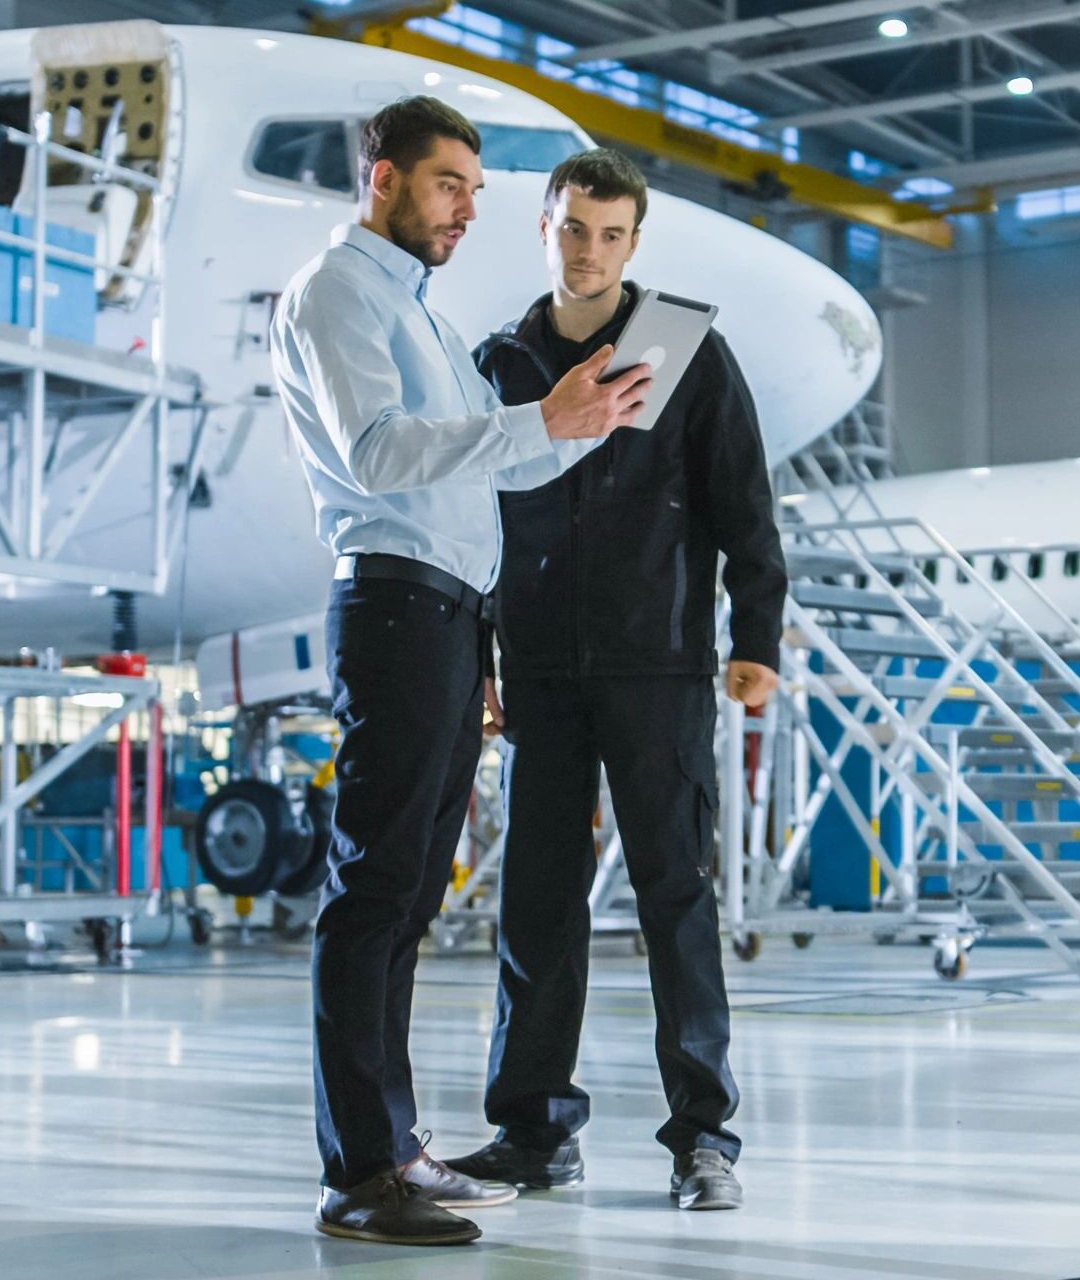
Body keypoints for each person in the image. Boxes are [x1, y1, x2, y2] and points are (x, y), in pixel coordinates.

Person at [270, 98, 652, 1247]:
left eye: (475, 193)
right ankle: (358, 1169)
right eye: (448, 185)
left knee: (408, 897)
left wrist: (577, 422)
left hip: (442, 614)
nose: (466, 210)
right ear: (382, 178)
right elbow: (376, 453)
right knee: (374, 889)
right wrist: (537, 418)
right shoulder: (336, 293)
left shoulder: (423, 319)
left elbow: (481, 476)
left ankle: (392, 1145)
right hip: (391, 604)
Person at [444, 148, 785, 1213]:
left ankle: (704, 1137)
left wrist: (758, 638)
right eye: (572, 229)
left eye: (610, 234)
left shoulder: (685, 355)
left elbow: (744, 508)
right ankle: (533, 1130)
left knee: (676, 897)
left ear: (634, 242)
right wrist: (479, 655)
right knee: (535, 904)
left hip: (658, 666)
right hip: (541, 671)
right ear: (543, 229)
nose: (588, 251)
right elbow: (467, 520)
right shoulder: (497, 362)